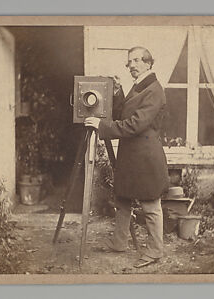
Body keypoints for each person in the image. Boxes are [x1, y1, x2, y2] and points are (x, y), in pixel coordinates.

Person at [84, 46, 169, 268]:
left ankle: (155, 251)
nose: (130, 65)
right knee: (123, 200)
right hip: (132, 154)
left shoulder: (155, 90)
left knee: (150, 205)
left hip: (145, 157)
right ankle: (119, 242)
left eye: (135, 61)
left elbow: (135, 125)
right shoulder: (141, 87)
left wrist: (102, 126)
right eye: (128, 62)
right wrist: (119, 91)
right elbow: (125, 114)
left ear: (148, 63)